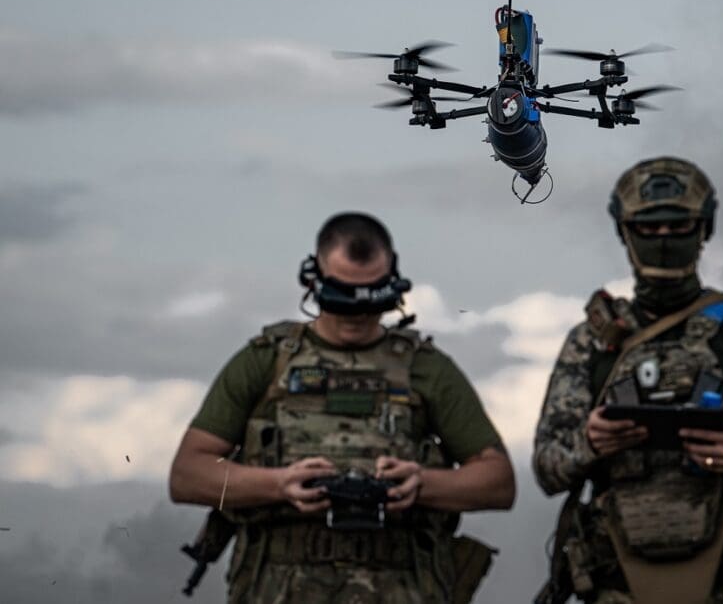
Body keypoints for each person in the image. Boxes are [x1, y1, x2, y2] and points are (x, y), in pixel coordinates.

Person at [532, 157, 723, 604]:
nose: (663, 238)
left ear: (703, 229)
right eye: (649, 227)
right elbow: (547, 467)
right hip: (618, 586)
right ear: (625, 231)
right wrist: (590, 444)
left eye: (678, 226)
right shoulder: (591, 344)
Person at [170, 212, 515, 604]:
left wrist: (421, 484)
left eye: (371, 298)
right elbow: (187, 474)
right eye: (343, 296)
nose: (357, 314)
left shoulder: (426, 368)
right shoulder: (266, 362)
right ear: (313, 281)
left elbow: (498, 481)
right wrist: (278, 484)